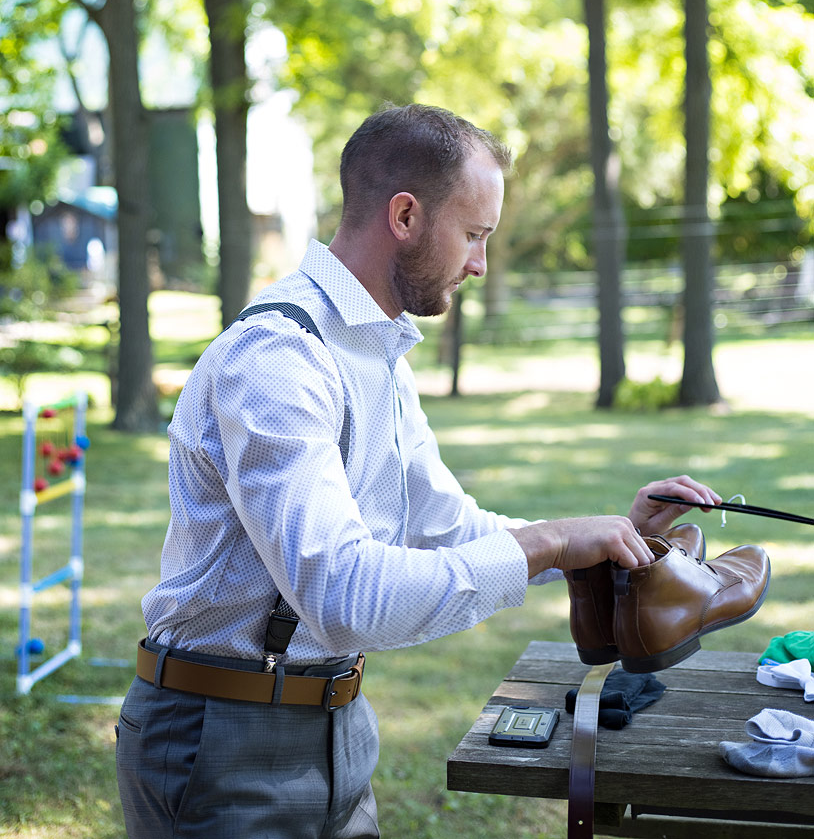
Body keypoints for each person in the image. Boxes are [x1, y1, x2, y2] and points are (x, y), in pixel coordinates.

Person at [116, 103, 720, 839]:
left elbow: (449, 526)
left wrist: (607, 537)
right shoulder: (277, 357)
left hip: (336, 722)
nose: (480, 263)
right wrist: (551, 543)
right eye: (474, 234)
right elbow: (343, 597)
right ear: (405, 216)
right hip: (221, 740)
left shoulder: (376, 351)